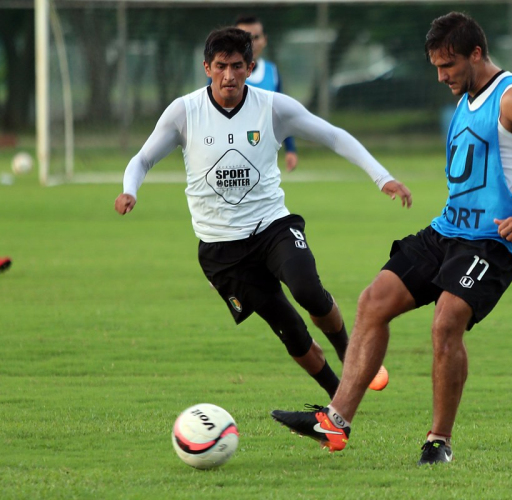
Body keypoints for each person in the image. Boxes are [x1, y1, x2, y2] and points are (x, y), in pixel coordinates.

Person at [271, 12, 512, 465]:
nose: (442, 76)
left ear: (477, 53)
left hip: (490, 244)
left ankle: (439, 442)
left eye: (449, 65)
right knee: (373, 300)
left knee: (446, 321)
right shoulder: (465, 99)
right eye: (436, 67)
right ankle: (335, 423)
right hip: (446, 231)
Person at [114, 28, 411, 400]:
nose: (229, 76)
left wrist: (382, 177)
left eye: (237, 66)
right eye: (220, 66)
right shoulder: (184, 112)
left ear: (250, 67)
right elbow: (142, 159)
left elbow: (333, 135)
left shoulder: (273, 107)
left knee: (308, 291)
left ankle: (349, 353)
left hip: (273, 228)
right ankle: (340, 401)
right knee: (291, 331)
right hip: (222, 250)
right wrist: (130, 189)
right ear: (206, 67)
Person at [235, 15, 298, 173]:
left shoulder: (272, 71)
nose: (251, 43)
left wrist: (290, 148)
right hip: (230, 153)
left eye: (256, 37)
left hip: (263, 156)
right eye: (245, 38)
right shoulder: (224, 74)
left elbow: (282, 112)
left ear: (264, 40)